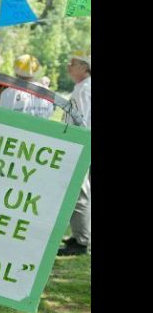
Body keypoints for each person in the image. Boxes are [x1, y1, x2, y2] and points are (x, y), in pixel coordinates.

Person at [58, 50, 91, 256]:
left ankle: (81, 240)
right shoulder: (82, 87)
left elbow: (83, 121)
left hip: (81, 144)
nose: (68, 66)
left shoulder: (85, 89)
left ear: (84, 67)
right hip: (79, 143)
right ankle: (79, 234)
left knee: (80, 192)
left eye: (73, 63)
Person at [0, 54, 51, 118]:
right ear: (36, 71)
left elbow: (2, 117)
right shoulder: (46, 95)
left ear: (15, 70)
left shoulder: (7, 93)